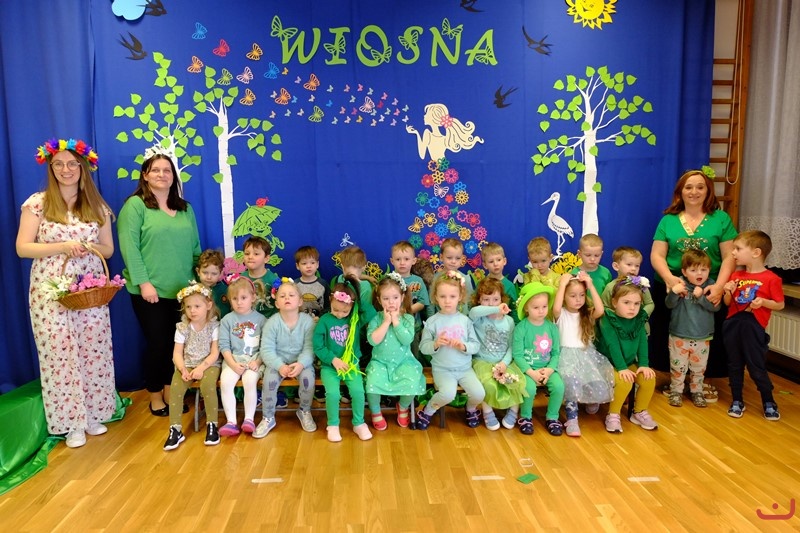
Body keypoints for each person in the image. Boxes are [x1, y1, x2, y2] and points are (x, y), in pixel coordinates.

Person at [17, 138, 116, 448]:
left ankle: (94, 415)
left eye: (72, 163)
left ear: (83, 167)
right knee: (58, 352)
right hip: (50, 289)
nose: (66, 169)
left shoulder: (96, 206)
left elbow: (108, 249)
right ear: (51, 167)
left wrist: (86, 247)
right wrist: (62, 247)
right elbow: (23, 247)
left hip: (89, 289)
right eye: (58, 164)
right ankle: (70, 422)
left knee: (93, 348)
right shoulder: (38, 203)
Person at [118, 145, 201, 416]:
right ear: (145, 175)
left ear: (173, 176)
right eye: (156, 170)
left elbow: (195, 247)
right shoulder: (135, 206)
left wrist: (200, 282)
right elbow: (130, 248)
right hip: (150, 291)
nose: (162, 174)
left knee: (178, 345)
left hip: (184, 292)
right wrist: (144, 283)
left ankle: (170, 391)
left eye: (167, 170)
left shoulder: (185, 209)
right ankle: (155, 396)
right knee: (158, 344)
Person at [650, 168, 738, 379]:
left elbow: (729, 256)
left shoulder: (721, 219)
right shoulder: (668, 220)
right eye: (688, 187)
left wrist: (719, 287)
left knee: (708, 333)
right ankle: (674, 380)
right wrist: (670, 279)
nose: (694, 192)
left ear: (708, 191)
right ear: (680, 192)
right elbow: (657, 255)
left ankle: (705, 380)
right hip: (673, 285)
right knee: (669, 332)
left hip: (709, 286)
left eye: (700, 187)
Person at [722, 230, 785, 421]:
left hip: (753, 327)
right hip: (733, 324)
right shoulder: (735, 275)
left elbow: (780, 304)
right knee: (734, 364)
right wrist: (727, 291)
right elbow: (727, 303)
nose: (733, 253)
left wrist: (763, 302)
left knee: (756, 366)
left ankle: (768, 401)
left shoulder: (772, 278)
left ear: (756, 252)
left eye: (738, 249)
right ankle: (737, 400)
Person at [416, 271, 484, 430]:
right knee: (447, 394)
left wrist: (463, 346)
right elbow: (423, 347)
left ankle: (470, 409)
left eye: (452, 296)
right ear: (435, 297)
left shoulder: (465, 321)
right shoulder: (432, 322)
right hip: (442, 370)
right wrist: (435, 344)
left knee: (479, 394)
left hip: (465, 369)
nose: (447, 301)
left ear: (460, 297)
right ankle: (428, 410)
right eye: (443, 296)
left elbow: (475, 345)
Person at [552, 272, 614, 437]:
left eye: (581, 295)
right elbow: (556, 308)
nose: (578, 299)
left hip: (586, 355)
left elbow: (600, 310)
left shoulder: (586, 314)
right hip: (566, 357)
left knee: (596, 379)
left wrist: (590, 285)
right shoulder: (561, 314)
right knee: (571, 383)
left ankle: (590, 400)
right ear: (564, 297)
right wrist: (562, 285)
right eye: (572, 296)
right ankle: (572, 419)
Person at [595, 277, 658, 433]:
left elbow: (642, 342)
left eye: (637, 303)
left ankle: (639, 411)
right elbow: (612, 345)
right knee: (624, 381)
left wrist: (643, 364)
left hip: (627, 362)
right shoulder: (608, 319)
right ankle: (613, 414)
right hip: (607, 363)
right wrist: (622, 368)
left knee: (649, 378)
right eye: (626, 303)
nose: (632, 308)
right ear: (615, 302)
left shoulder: (638, 318)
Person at [256, 278, 317, 437]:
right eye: (282, 296)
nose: (287, 298)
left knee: (307, 380)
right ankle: (268, 417)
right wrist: (279, 365)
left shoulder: (307, 322)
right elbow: (266, 350)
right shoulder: (272, 323)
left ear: (300, 301)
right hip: (278, 362)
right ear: (277, 303)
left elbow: (310, 348)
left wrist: (301, 364)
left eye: (291, 295)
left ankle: (304, 411)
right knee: (269, 382)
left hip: (301, 363)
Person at [163, 282, 220, 451]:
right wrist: (183, 369)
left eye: (197, 306)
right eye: (188, 307)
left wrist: (201, 368)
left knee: (208, 385)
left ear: (208, 305)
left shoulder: (214, 326)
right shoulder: (182, 328)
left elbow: (215, 353)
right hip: (187, 364)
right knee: (176, 389)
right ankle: (175, 429)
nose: (192, 311)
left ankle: (212, 425)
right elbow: (177, 353)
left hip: (209, 364)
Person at [314, 278, 373, 442]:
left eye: (344, 311)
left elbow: (371, 313)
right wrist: (333, 360)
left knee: (358, 392)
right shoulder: (325, 320)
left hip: (351, 365)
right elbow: (318, 346)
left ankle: (359, 423)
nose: (340, 314)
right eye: (336, 309)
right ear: (330, 301)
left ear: (352, 307)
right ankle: (333, 425)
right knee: (333, 394)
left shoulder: (354, 319)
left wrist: (358, 299)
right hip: (330, 367)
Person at [365, 273, 426, 430]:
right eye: (386, 298)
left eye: (395, 297)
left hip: (403, 361)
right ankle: (376, 412)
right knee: (372, 382)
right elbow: (373, 341)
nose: (391, 302)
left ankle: (403, 407)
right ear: (379, 300)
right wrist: (386, 322)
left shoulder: (407, 318)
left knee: (412, 380)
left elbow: (407, 340)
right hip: (380, 363)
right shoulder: (376, 319)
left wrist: (396, 321)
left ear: (402, 297)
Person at [665, 249, 720, 408]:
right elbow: (669, 304)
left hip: (702, 336)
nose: (699, 273)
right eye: (694, 270)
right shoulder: (679, 284)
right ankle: (676, 391)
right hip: (679, 335)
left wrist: (701, 297)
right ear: (684, 271)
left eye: (704, 269)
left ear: (709, 270)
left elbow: (716, 307)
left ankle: (697, 391)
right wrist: (674, 293)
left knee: (699, 368)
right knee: (678, 366)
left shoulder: (711, 286)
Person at [468, 278, 526, 431]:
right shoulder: (478, 319)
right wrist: (495, 309)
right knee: (487, 383)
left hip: (504, 361)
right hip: (482, 362)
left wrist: (504, 363)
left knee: (516, 381)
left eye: (495, 299)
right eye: (486, 300)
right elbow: (473, 312)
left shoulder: (509, 321)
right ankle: (488, 413)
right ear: (479, 300)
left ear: (502, 299)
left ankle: (513, 412)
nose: (491, 303)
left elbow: (511, 346)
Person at [513, 282, 564, 436]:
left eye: (544, 306)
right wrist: (531, 373)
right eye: (536, 307)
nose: (541, 311)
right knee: (529, 388)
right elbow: (518, 355)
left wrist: (549, 370)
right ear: (526, 308)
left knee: (559, 386)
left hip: (547, 368)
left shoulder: (552, 328)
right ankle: (525, 417)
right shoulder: (521, 328)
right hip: (527, 369)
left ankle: (552, 417)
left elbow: (556, 353)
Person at [217, 276, 266, 437]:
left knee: (249, 381)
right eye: (235, 299)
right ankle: (231, 422)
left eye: (243, 298)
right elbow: (224, 345)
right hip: (233, 360)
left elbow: (266, 345)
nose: (239, 302)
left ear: (253, 297)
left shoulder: (261, 320)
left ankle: (249, 419)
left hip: (254, 360)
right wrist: (232, 364)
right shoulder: (227, 320)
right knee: (226, 383)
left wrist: (258, 361)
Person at [389, 240, 431, 360]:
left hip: (414, 327)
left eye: (406, 259)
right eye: (398, 259)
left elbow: (423, 302)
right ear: (392, 261)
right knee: (395, 356)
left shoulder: (418, 281)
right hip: (391, 328)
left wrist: (406, 310)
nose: (402, 263)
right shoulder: (388, 280)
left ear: (413, 261)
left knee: (414, 357)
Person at [406, 103, 484, 162]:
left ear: (433, 118)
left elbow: (422, 155)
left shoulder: (428, 134)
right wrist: (416, 133)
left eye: (426, 114)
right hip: (442, 165)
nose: (424, 116)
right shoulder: (445, 138)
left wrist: (417, 134)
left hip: (440, 166)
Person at [431, 238, 475, 313]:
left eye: (458, 258)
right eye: (449, 258)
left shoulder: (466, 279)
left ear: (462, 259)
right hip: (441, 317)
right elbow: (432, 302)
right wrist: (431, 318)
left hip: (462, 317)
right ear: (441, 257)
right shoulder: (435, 278)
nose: (453, 261)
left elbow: (471, 301)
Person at [242, 236, 278, 318]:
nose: (250, 257)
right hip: (246, 320)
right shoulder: (241, 279)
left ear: (266, 258)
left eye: (256, 254)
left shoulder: (273, 280)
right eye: (247, 253)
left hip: (268, 321)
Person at [480, 242, 519, 318]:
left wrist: (515, 324)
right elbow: (474, 306)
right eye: (491, 261)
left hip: (503, 323)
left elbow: (514, 310)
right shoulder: (481, 284)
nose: (495, 264)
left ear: (504, 261)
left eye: (498, 260)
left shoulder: (509, 286)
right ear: (485, 265)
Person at [294, 245, 329, 320]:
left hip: (319, 321)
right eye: (304, 263)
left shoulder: (323, 284)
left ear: (317, 264)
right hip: (300, 321)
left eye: (312, 263)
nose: (309, 266)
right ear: (297, 266)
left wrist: (320, 317)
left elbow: (328, 306)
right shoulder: (295, 285)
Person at [196, 249, 230, 317]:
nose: (209, 277)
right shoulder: (194, 291)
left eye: (214, 274)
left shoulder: (226, 290)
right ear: (198, 271)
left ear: (221, 273)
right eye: (205, 273)